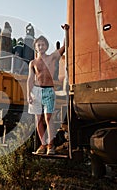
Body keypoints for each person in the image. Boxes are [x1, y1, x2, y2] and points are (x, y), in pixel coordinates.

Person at [27, 24, 69, 155]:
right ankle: (43, 144)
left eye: (43, 44)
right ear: (35, 47)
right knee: (38, 120)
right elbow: (30, 79)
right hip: (37, 91)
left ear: (46, 46)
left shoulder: (52, 57)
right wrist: (28, 94)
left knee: (48, 118)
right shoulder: (33, 63)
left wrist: (66, 32)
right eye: (38, 45)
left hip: (49, 91)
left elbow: (64, 47)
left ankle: (51, 145)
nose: (41, 47)